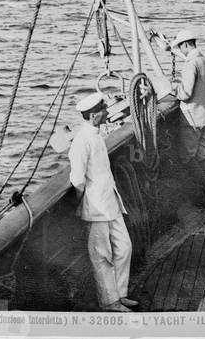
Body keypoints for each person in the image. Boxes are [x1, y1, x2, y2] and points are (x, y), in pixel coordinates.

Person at [68, 92, 138, 312]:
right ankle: (109, 302)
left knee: (124, 247)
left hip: (111, 203)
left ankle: (120, 294)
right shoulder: (81, 142)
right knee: (102, 256)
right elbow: (77, 179)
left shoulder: (96, 135)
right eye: (103, 110)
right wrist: (81, 203)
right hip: (96, 208)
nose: (107, 112)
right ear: (93, 115)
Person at [173, 28, 205, 205]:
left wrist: (173, 88)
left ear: (186, 45)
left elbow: (185, 93)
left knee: (187, 158)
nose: (181, 50)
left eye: (181, 47)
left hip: (191, 118)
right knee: (203, 155)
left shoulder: (190, 64)